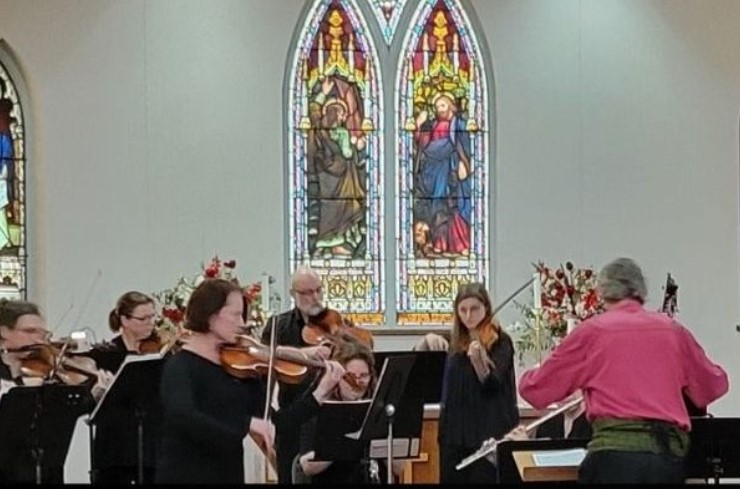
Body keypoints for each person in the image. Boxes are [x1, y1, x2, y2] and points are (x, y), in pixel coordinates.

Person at [518, 257, 729, 484]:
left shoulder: (592, 332)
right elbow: (714, 386)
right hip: (664, 460)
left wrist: (540, 368)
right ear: (641, 290)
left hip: (612, 459)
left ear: (602, 292)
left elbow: (534, 390)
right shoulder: (673, 331)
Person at [155, 278, 274, 484]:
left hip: (228, 473)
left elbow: (260, 413)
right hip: (187, 474)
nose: (242, 323)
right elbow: (184, 416)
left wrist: (264, 372)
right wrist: (246, 424)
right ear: (210, 315)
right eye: (235, 315)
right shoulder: (180, 366)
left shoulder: (237, 367)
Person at [0, 299, 113, 483]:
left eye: (43, 333)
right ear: (4, 332)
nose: (38, 339)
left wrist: (95, 395)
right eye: (29, 331)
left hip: (47, 469)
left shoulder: (48, 371)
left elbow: (64, 415)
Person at [438, 282, 519, 484]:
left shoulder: (501, 342)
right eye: (463, 310)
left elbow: (493, 384)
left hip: (487, 432)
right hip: (455, 434)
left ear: (486, 309)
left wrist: (479, 361)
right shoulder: (455, 344)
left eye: (474, 309)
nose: (468, 316)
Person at [260, 265, 334, 484]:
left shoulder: (335, 323)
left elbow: (356, 354)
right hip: (292, 417)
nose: (315, 297)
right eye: (307, 292)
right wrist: (304, 354)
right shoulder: (278, 326)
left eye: (318, 290)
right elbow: (265, 355)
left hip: (326, 420)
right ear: (293, 295)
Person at [84, 291, 162, 484]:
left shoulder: (160, 354)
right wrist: (99, 391)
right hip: (115, 448)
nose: (151, 323)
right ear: (125, 320)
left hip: (152, 446)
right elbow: (89, 401)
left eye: (153, 316)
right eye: (143, 318)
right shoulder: (104, 354)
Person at [306, 76, 367, 259]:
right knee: (335, 210)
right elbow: (347, 154)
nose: (342, 117)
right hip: (332, 180)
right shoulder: (327, 130)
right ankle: (331, 244)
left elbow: (349, 155)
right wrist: (354, 144)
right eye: (339, 113)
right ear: (331, 112)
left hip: (338, 179)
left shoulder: (329, 130)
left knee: (342, 208)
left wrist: (355, 145)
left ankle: (336, 244)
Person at [412, 92, 472, 257]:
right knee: (437, 208)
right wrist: (419, 125)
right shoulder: (431, 126)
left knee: (453, 207)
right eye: (437, 107)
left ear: (451, 107)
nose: (440, 109)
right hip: (434, 170)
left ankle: (458, 245)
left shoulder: (458, 125)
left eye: (443, 105)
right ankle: (440, 243)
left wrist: (463, 162)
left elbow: (463, 144)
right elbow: (423, 145)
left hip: (450, 170)